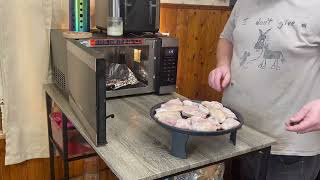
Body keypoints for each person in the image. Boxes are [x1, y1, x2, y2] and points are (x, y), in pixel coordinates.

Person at [208, 0, 320, 179]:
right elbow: (227, 38)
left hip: (287, 150)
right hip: (234, 135)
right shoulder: (243, 3)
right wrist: (223, 64)